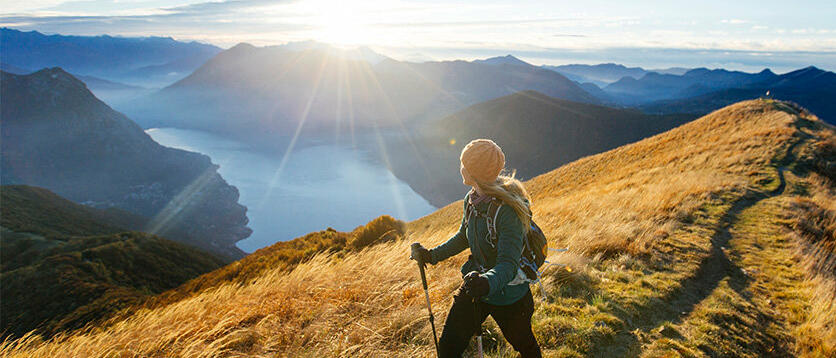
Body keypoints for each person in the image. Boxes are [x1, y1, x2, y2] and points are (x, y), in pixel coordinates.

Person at [410, 139, 542, 358]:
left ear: (474, 172)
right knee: (448, 348)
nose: (461, 168)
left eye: (465, 164)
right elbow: (464, 236)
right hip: (475, 287)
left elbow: (508, 265)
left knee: (526, 348)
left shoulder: (507, 211)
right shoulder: (472, 199)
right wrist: (431, 255)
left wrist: (487, 282)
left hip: (509, 296)